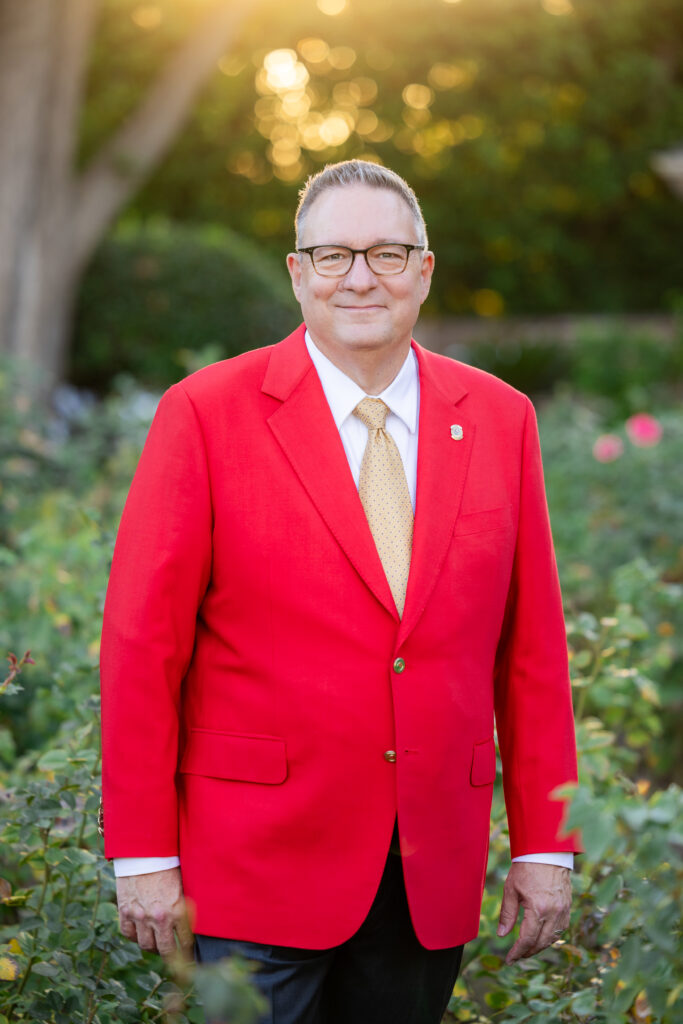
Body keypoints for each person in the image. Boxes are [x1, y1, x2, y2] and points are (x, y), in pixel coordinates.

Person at [100, 159, 579, 1024]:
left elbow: (532, 648)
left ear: (424, 271)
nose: (360, 277)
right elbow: (143, 647)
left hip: (427, 863)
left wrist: (547, 843)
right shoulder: (205, 413)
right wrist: (142, 856)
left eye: (387, 253)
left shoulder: (501, 417)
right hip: (254, 863)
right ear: (298, 273)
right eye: (332, 256)